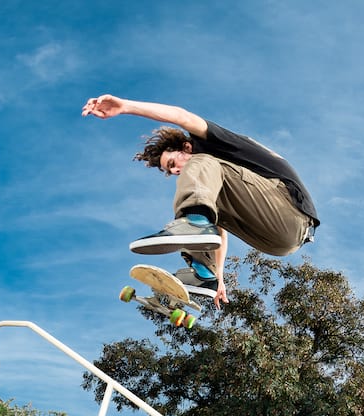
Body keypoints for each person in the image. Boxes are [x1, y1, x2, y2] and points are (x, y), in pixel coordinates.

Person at [81, 95, 319, 307]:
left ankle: (192, 223)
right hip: (276, 241)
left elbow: (180, 115)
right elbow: (218, 234)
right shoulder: (216, 184)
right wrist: (221, 280)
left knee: (200, 173)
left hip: (289, 211)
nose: (175, 172)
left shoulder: (211, 145)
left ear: (186, 147)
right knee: (204, 218)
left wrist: (125, 106)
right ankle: (206, 276)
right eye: (170, 170)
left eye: (173, 163)